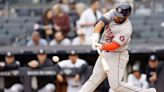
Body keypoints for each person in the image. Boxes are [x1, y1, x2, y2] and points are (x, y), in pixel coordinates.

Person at [79, 2, 156, 92]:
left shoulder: (126, 28)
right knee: (94, 79)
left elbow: (114, 46)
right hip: (105, 52)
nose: (116, 18)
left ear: (127, 16)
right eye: (116, 15)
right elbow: (101, 22)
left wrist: (101, 46)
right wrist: (95, 35)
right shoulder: (114, 13)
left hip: (117, 55)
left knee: (116, 86)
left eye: (119, 17)